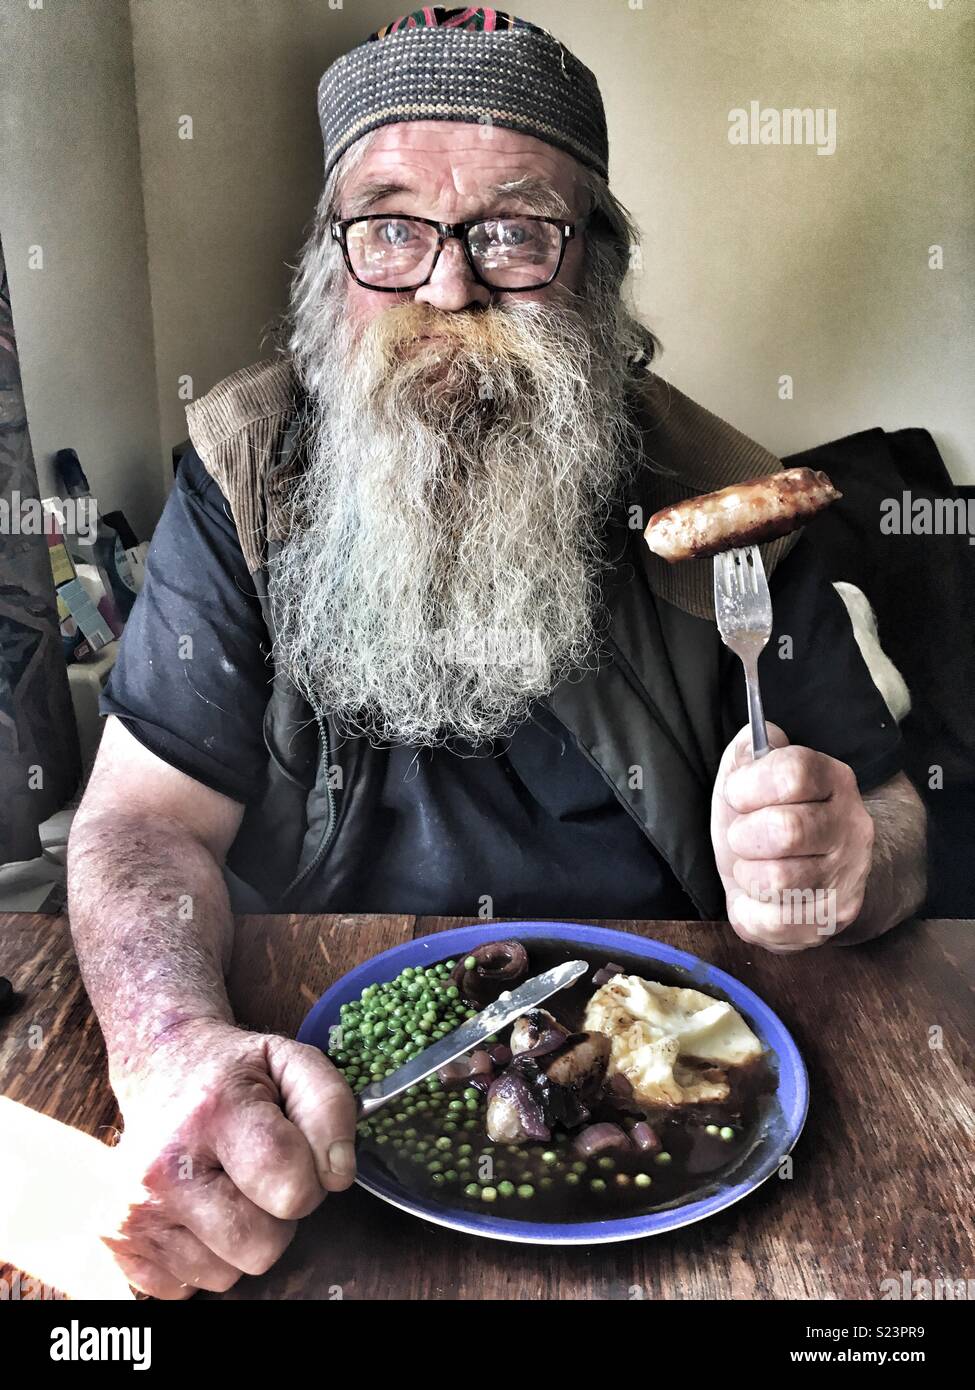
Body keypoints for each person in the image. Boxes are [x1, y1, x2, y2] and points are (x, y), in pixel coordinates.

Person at [67, 7, 925, 1297]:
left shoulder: (733, 504)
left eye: (516, 232)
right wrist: (170, 1040)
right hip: (304, 1065)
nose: (447, 286)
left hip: (675, 1068)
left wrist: (853, 862)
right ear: (329, 265)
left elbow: (899, 818)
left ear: (599, 269)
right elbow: (138, 821)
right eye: (393, 226)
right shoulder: (240, 480)